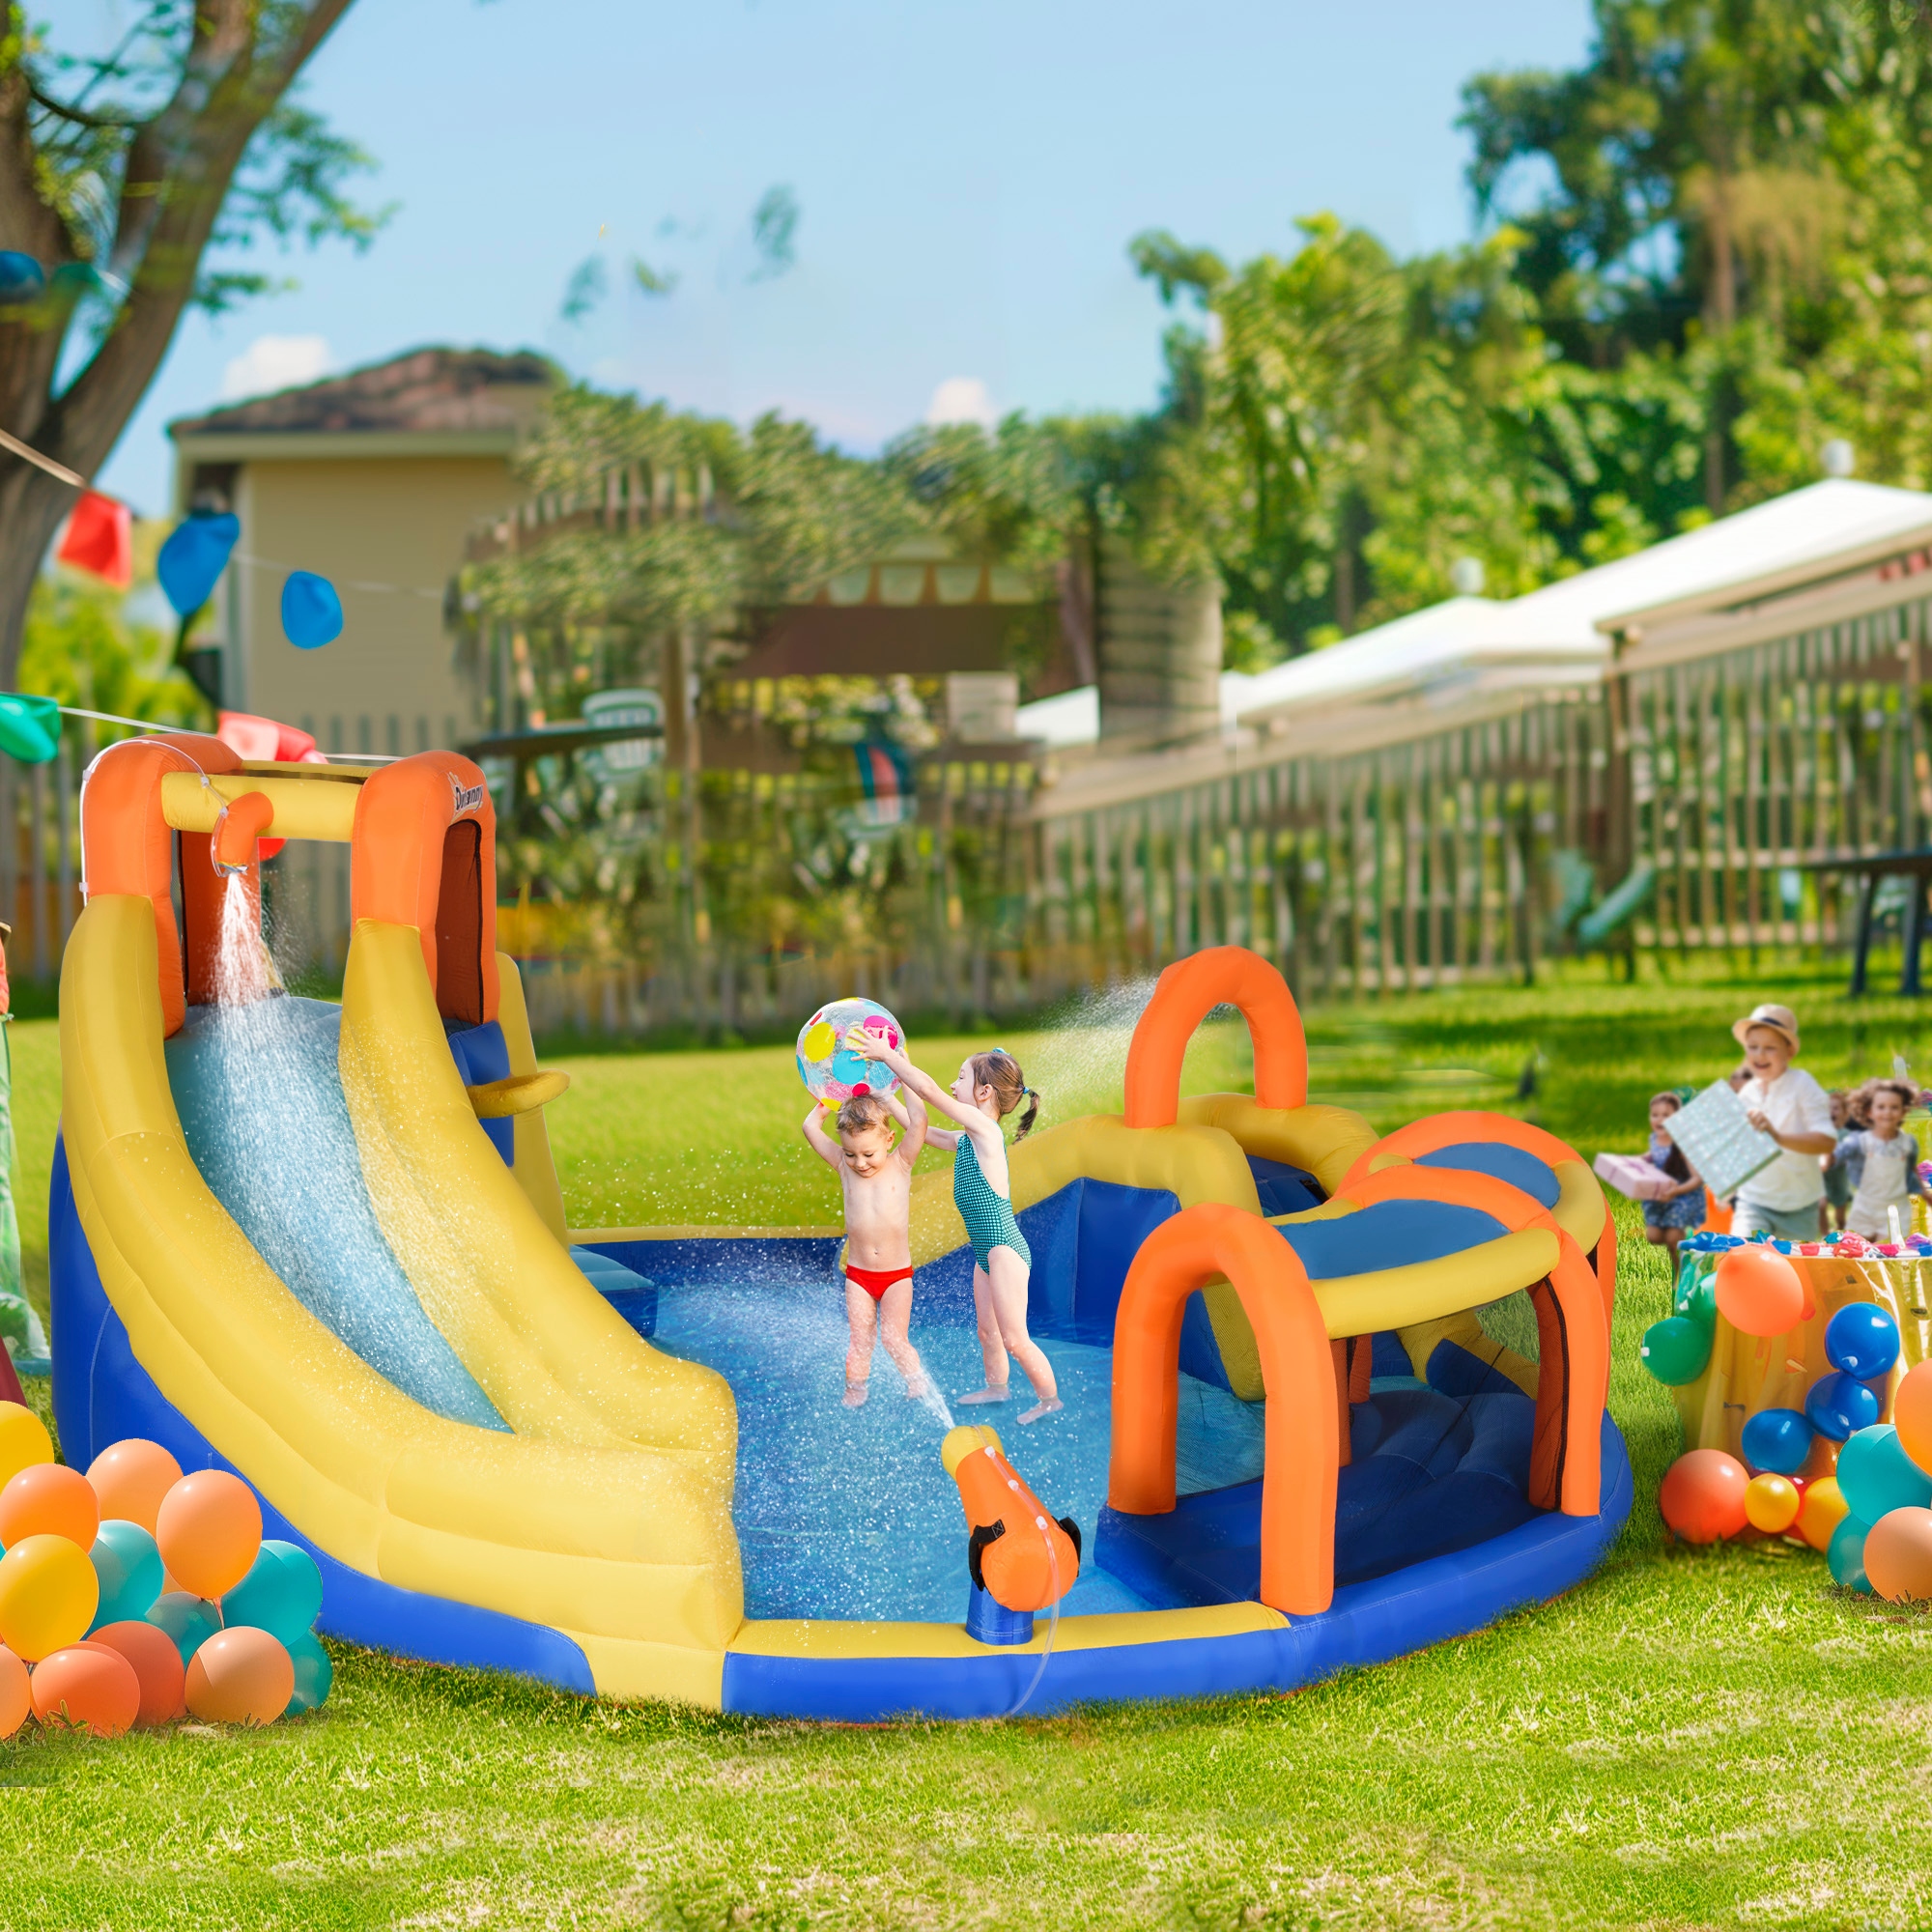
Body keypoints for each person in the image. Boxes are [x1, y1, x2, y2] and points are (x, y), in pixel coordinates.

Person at [847, 1031, 1063, 1424]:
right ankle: (997, 1387)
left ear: (984, 1092)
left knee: (1015, 1338)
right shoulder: (968, 1139)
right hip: (986, 1252)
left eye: (961, 1078)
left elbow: (929, 1091)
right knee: (988, 1332)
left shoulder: (987, 1132)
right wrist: (885, 1095)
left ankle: (1050, 1400)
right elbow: (922, 1130)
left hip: (1005, 1249)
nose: (952, 1084)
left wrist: (888, 1056)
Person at [801, 1091, 927, 1408]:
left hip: (896, 1276)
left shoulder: (901, 1162)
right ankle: (856, 1387)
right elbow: (809, 1127)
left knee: (893, 1338)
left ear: (889, 1140)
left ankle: (917, 1381)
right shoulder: (843, 1166)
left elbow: (919, 1123)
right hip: (858, 1276)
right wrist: (830, 1097)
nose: (859, 1163)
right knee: (860, 1339)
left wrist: (898, 1090)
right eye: (850, 1153)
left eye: (868, 1154)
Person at [1730, 1003, 1836, 1242]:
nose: (1759, 1055)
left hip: (1799, 1205)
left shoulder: (1803, 1084)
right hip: (1753, 1201)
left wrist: (1777, 1137)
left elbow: (1827, 1141)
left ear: (1789, 1052)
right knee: (1743, 1254)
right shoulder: (1746, 1093)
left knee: (1793, 1265)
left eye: (1770, 1048)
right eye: (1753, 1047)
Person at [1833, 1076, 1925, 1241]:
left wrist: (1927, 1197)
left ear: (1904, 1111)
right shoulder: (1859, 1141)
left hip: (1895, 1208)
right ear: (1869, 1111)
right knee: (1858, 1246)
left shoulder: (1907, 1143)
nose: (1887, 1112)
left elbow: (1912, 1175)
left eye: (1894, 1107)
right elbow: (1835, 1156)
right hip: (1865, 1207)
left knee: (1887, 1248)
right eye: (1881, 1107)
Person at [1641, 1091, 1704, 1265]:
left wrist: (1676, 1191)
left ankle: (1682, 1270)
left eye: (1666, 1115)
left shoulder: (1683, 1145)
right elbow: (1655, 1156)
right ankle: (1682, 1258)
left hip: (1682, 1197)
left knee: (1673, 1238)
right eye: (1655, 1115)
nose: (1659, 1120)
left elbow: (1697, 1179)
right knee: (1654, 1236)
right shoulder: (1655, 1139)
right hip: (1662, 1196)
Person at [1822, 1089, 1859, 1233]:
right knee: (1821, 1205)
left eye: (1836, 1108)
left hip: (1840, 1179)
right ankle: (1825, 1235)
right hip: (1823, 1179)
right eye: (1828, 1109)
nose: (1831, 1112)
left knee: (1840, 1218)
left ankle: (1841, 1231)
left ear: (1845, 1114)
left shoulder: (1846, 1135)